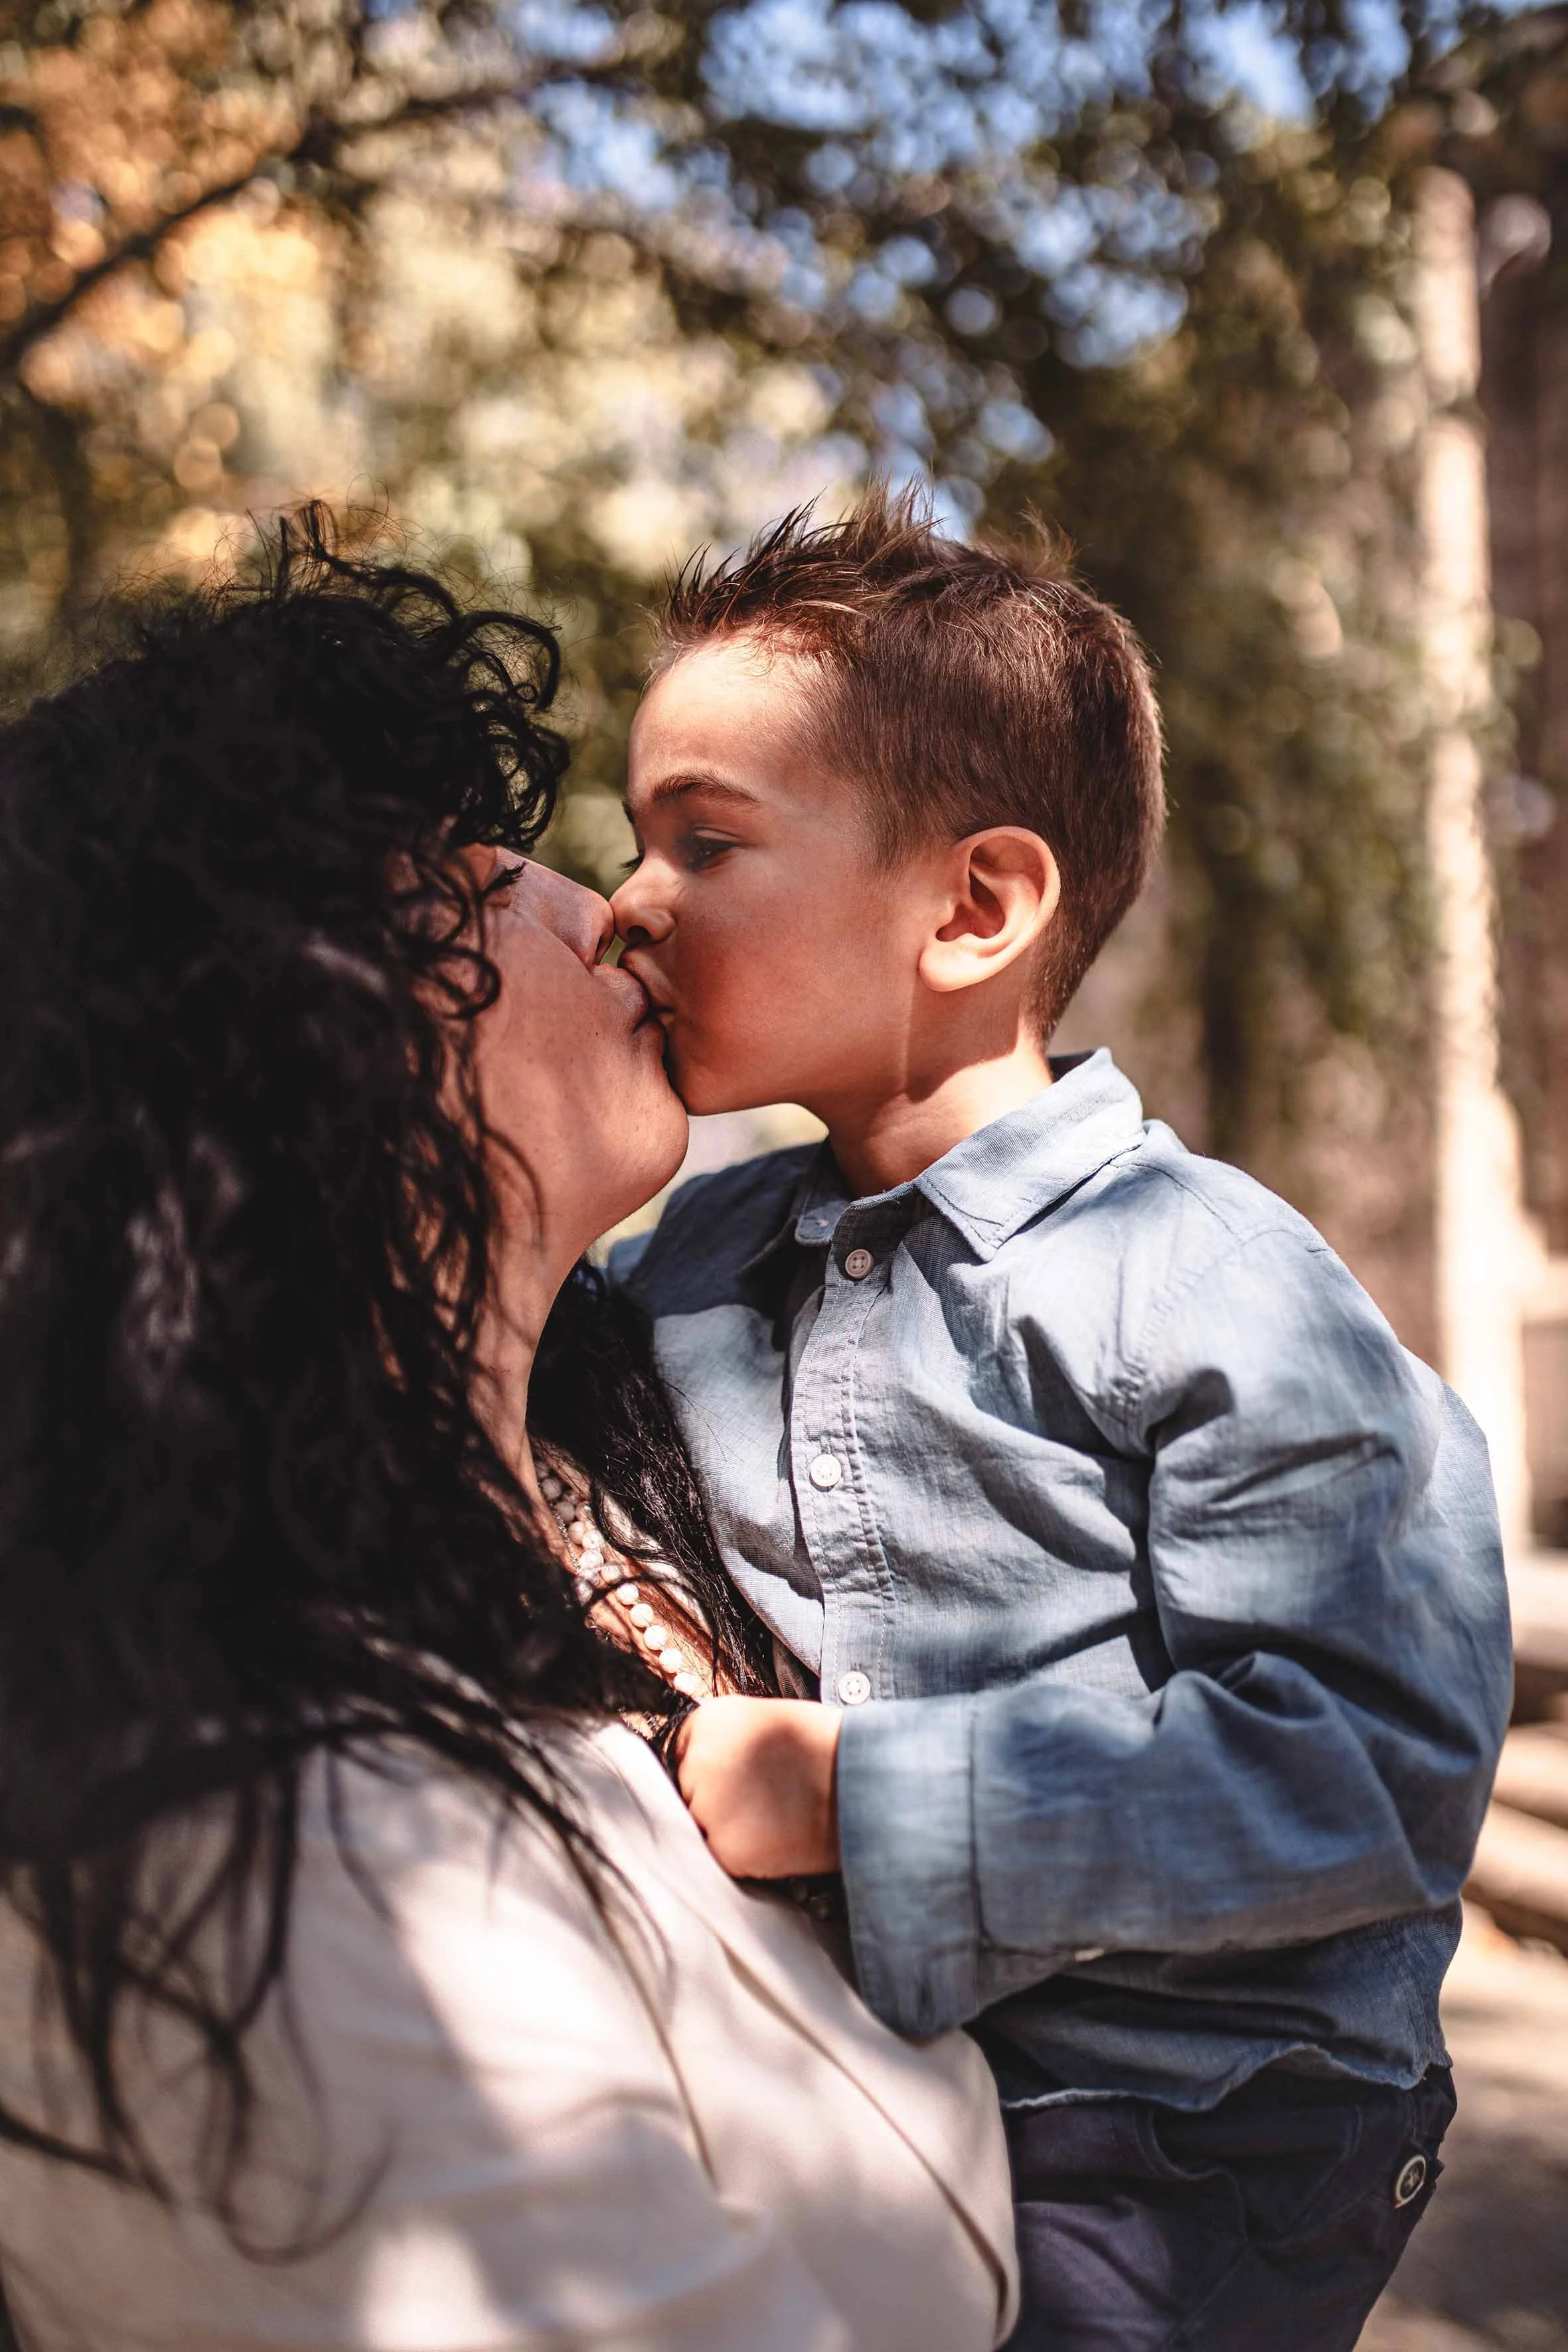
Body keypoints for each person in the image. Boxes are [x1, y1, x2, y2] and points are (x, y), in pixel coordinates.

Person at [0, 512, 1018, 2352]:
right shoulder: (262, 1869)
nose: (610, 906)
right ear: (297, 1025)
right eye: (481, 867)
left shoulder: (610, 1539)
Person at [608, 488, 1514, 2351]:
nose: (628, 903)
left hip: (1204, 2128)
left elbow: (1370, 1760)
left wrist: (867, 1799)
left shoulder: (1203, 1275)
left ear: (975, 906)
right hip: (914, 2082)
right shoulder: (694, 1256)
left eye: (704, 841)